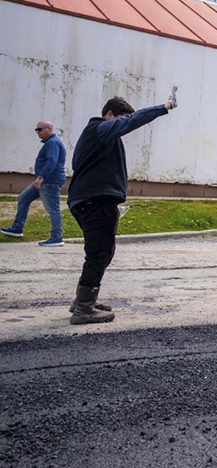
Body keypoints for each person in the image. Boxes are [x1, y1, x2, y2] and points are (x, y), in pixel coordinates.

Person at [66, 93, 177, 325]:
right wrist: (164, 107)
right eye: (121, 119)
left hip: (91, 200)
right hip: (94, 201)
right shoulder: (99, 128)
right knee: (99, 253)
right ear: (109, 115)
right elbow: (131, 122)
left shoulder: (100, 137)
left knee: (101, 252)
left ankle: (83, 301)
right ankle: (84, 310)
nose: (124, 125)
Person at [0, 121, 67, 246]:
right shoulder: (50, 143)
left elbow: (52, 161)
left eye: (40, 129)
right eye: (36, 129)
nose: (38, 132)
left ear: (49, 129)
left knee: (53, 209)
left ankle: (57, 237)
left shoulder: (53, 143)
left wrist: (41, 177)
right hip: (43, 181)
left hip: (49, 181)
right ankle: (17, 228)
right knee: (23, 198)